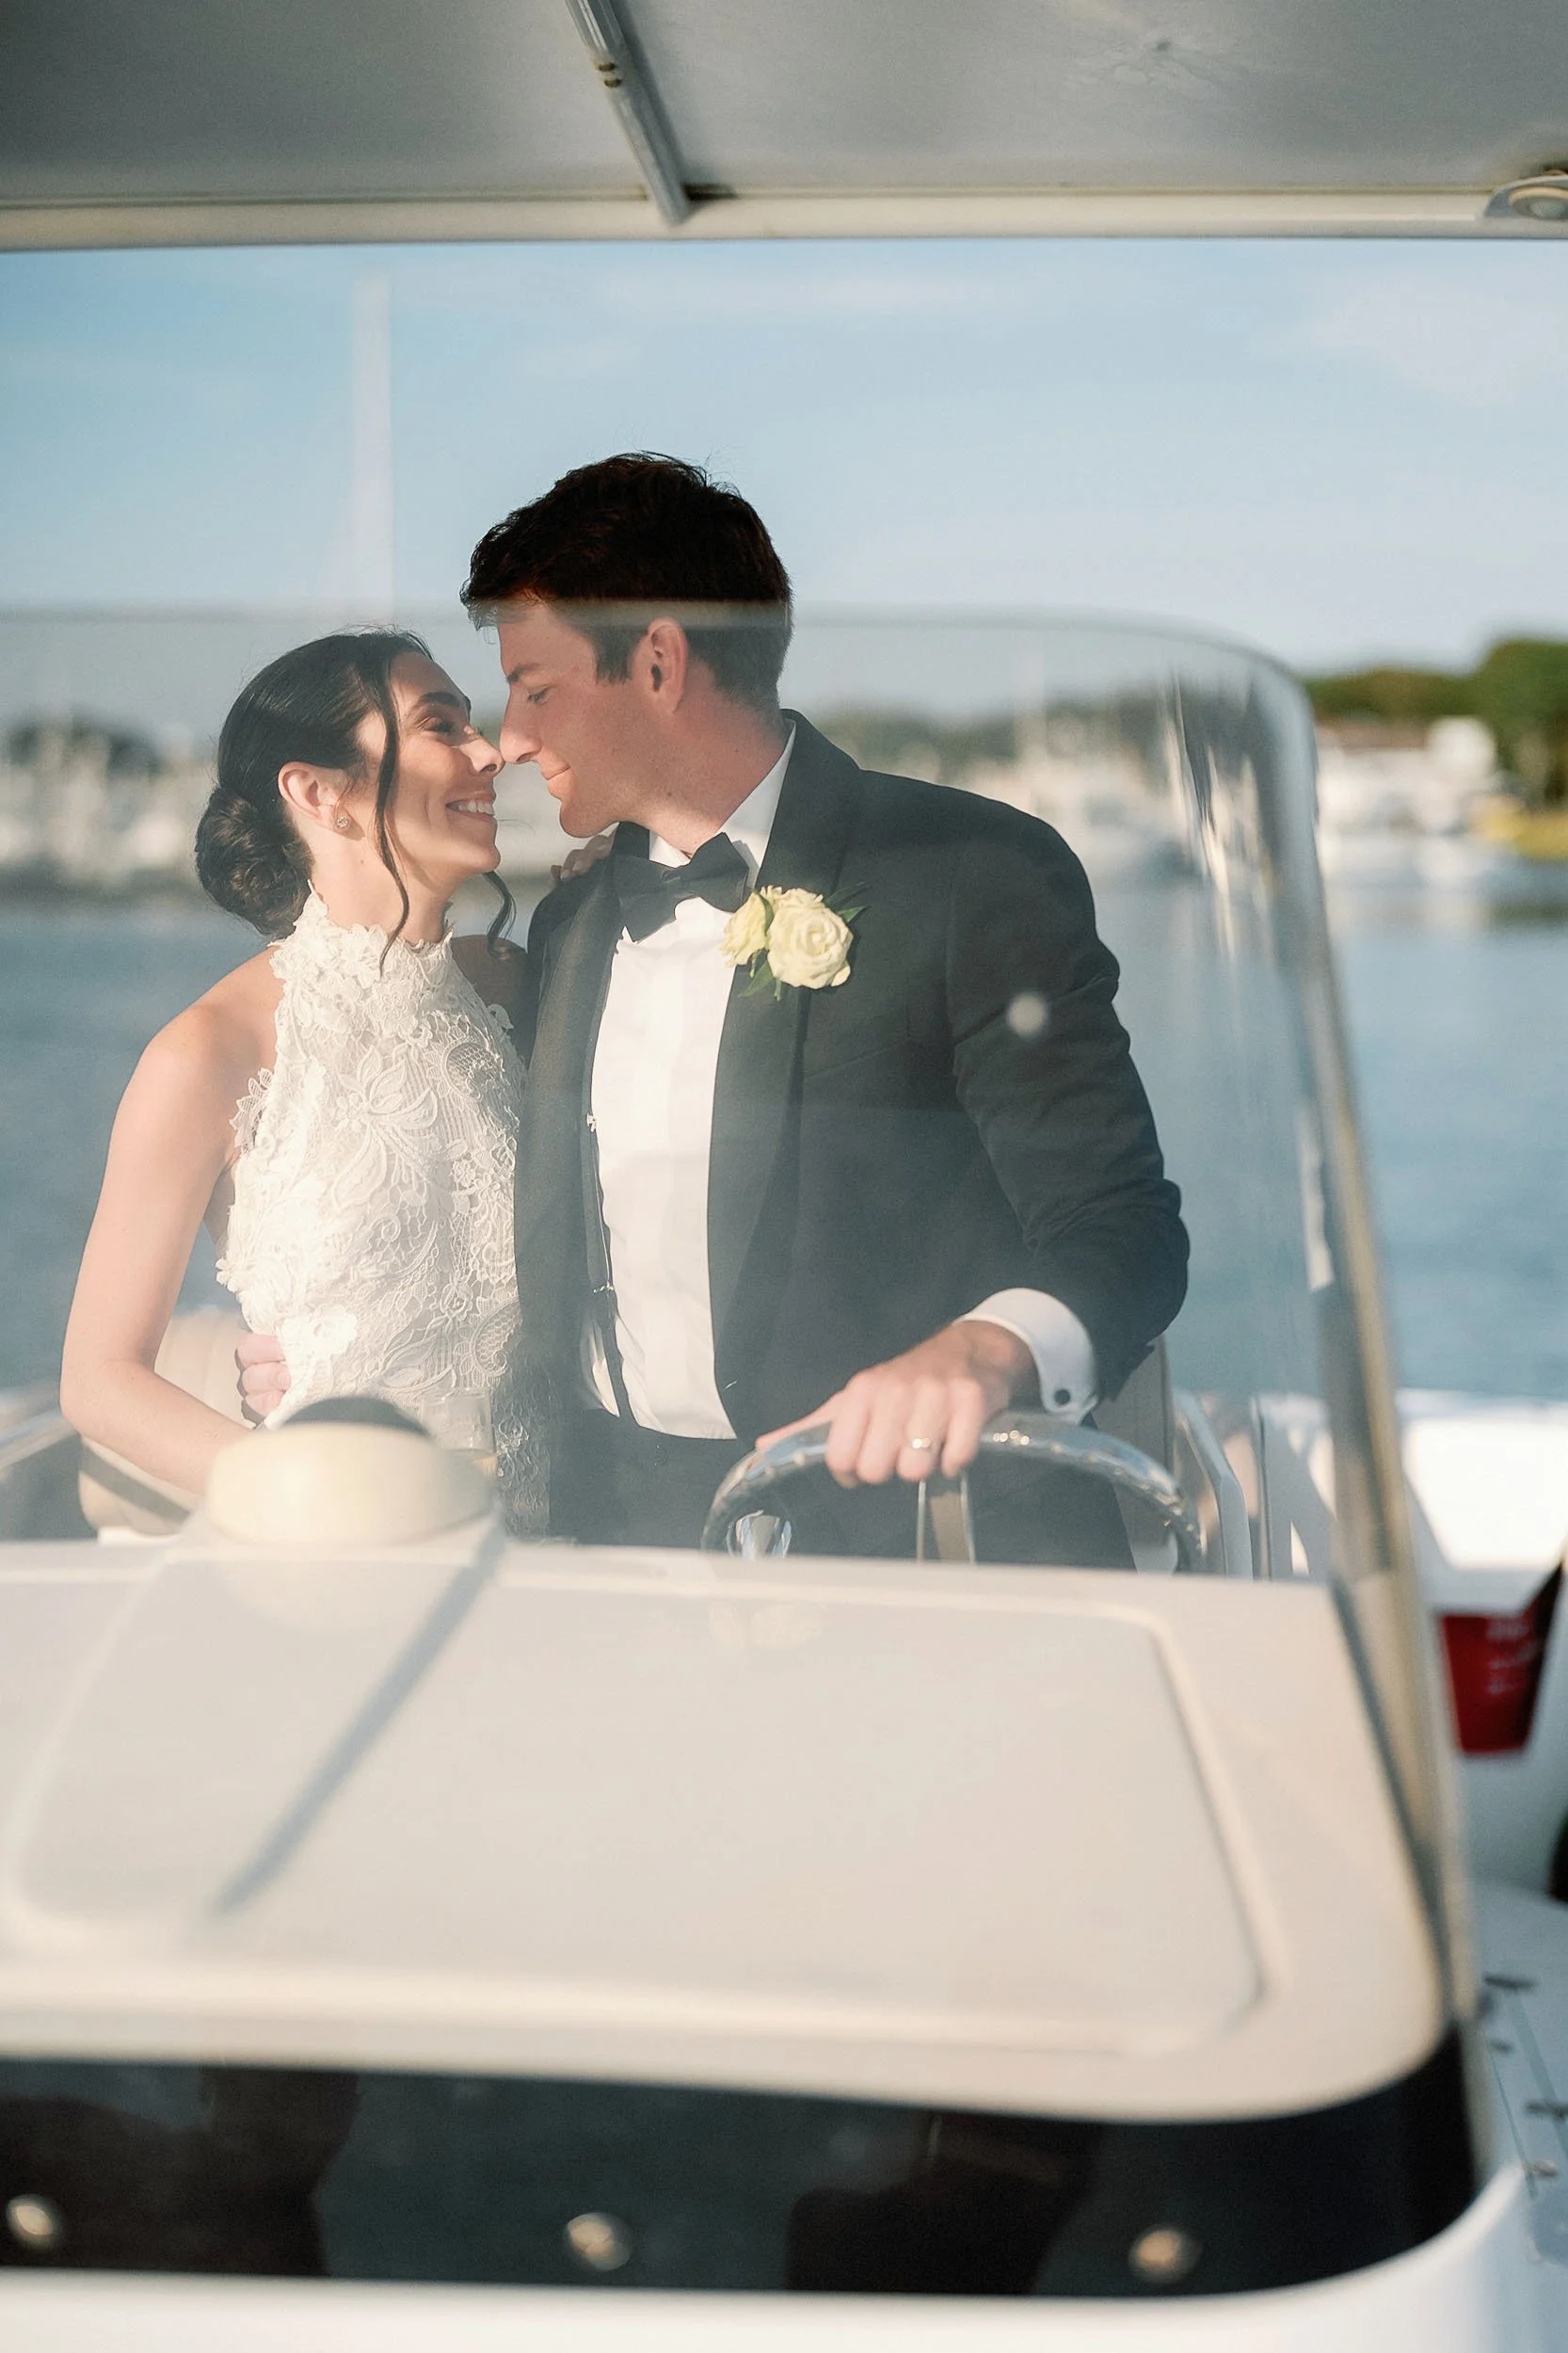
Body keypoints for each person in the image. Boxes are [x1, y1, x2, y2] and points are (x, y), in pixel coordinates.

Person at [474, 455, 1188, 1558]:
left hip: (927, 1539)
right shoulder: (569, 926)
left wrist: (988, 1349)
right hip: (622, 1549)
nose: (510, 739)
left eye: (534, 687)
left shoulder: (969, 873)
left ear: (659, 660)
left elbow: (1124, 1230)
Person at [60, 631, 529, 1498]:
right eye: (442, 726)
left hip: (557, 1543)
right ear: (319, 792)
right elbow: (100, 1380)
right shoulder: (211, 1050)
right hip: (344, 1545)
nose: (490, 752)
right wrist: (306, 1488)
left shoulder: (515, 994)